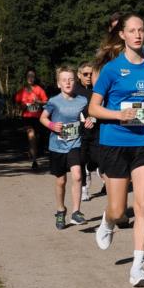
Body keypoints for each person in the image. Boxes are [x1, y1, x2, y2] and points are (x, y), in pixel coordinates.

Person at [88, 13, 144, 286]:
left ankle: (138, 268)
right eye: (132, 30)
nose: (138, 34)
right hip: (114, 142)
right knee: (118, 210)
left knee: (143, 206)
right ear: (122, 35)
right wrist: (118, 116)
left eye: (142, 30)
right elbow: (93, 108)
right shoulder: (111, 70)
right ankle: (108, 221)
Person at [40, 65, 88, 230]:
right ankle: (61, 210)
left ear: (75, 82)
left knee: (77, 176)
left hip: (75, 144)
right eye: (64, 80)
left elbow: (90, 116)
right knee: (61, 181)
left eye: (71, 79)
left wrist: (90, 121)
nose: (68, 82)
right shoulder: (54, 101)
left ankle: (76, 211)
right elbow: (43, 118)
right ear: (59, 83)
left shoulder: (82, 100)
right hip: (57, 146)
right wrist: (52, 125)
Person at [76, 62, 104, 201]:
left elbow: (103, 108)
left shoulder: (99, 90)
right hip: (80, 132)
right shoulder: (74, 91)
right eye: (85, 74)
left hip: (96, 130)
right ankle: (84, 187)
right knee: (80, 158)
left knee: (97, 158)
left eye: (91, 74)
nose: (88, 77)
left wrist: (94, 118)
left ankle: (90, 169)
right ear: (79, 75)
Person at [14, 68, 48, 171]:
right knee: (31, 135)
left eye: (32, 76)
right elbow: (17, 103)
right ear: (26, 78)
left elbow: (46, 101)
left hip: (38, 118)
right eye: (29, 76)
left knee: (35, 138)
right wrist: (22, 107)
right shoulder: (22, 91)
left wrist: (38, 102)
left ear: (35, 78)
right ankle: (34, 161)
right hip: (27, 118)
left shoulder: (39, 89)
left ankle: (31, 151)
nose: (30, 78)